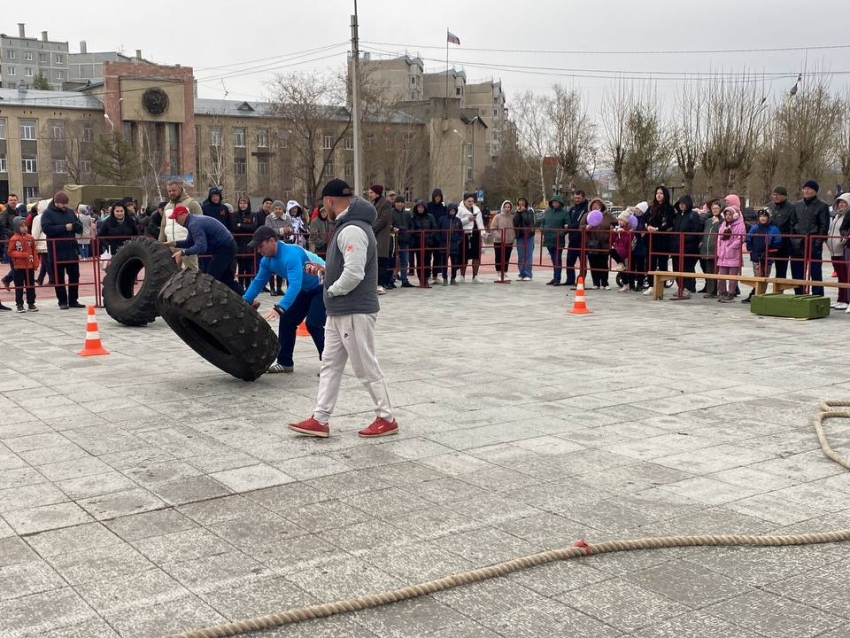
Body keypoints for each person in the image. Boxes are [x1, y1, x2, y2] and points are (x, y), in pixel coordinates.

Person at [289, 178, 398, 439]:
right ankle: (320, 418)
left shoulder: (351, 230)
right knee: (330, 364)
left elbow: (354, 272)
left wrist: (331, 289)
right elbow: (347, 269)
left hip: (353, 310)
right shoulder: (350, 227)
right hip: (341, 310)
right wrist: (326, 272)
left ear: (328, 201)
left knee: (364, 366)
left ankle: (386, 417)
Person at [243, 226, 325, 374]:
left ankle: (330, 365)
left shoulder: (291, 254)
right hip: (305, 290)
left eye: (261, 246)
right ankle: (285, 363)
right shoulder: (267, 260)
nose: (259, 251)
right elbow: (258, 282)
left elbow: (294, 285)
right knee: (287, 320)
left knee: (313, 324)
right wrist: (244, 303)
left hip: (322, 286)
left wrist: (280, 308)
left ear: (272, 241)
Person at [166, 205, 242, 295]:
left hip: (224, 247)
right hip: (228, 245)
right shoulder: (193, 221)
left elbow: (201, 246)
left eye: (176, 218)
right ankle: (249, 300)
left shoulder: (193, 224)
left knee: (210, 280)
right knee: (226, 279)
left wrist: (183, 252)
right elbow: (190, 242)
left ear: (184, 215)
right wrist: (173, 243)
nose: (176, 221)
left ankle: (213, 304)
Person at [41, 191, 84, 309]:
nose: (64, 206)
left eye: (66, 203)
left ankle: (73, 300)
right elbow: (47, 229)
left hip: (71, 249)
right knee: (58, 278)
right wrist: (64, 227)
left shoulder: (70, 212)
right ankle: (62, 301)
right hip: (56, 250)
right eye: (62, 204)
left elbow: (79, 226)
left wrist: (76, 226)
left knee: (75, 276)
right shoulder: (47, 214)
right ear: (56, 203)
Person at [791, 180, 830, 296]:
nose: (806, 191)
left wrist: (818, 242)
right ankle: (799, 293)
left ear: (815, 191)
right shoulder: (797, 205)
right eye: (805, 188)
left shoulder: (822, 206)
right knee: (797, 270)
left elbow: (824, 225)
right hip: (798, 242)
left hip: (813, 241)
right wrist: (793, 239)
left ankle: (817, 294)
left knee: (815, 270)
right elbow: (792, 223)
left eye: (809, 189)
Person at [160, 180, 202, 270]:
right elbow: (164, 226)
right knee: (172, 274)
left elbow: (200, 224)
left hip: (187, 245)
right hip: (171, 246)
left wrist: (197, 243)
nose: (171, 193)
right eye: (169, 191)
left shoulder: (192, 203)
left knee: (192, 273)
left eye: (174, 190)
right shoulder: (167, 207)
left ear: (180, 189)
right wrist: (160, 243)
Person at [742, 209, 781, 304]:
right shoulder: (754, 228)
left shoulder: (773, 228)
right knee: (757, 276)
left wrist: (772, 249)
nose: (763, 218)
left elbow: (777, 240)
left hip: (767, 256)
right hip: (756, 255)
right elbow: (749, 238)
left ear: (768, 217)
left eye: (765, 216)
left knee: (765, 276)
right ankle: (755, 294)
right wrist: (750, 248)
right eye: (761, 217)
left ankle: (761, 295)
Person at [643, 186, 675, 296]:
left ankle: (661, 285)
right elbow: (644, 218)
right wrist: (647, 226)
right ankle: (651, 285)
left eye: (661, 193)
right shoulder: (651, 207)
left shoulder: (669, 208)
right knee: (650, 262)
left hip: (662, 238)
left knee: (662, 262)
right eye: (657, 193)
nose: (659, 195)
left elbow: (669, 222)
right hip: (651, 238)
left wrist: (658, 229)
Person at [670, 195, 703, 298]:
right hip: (676, 247)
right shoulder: (678, 216)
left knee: (687, 268)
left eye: (683, 203)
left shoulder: (693, 215)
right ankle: (681, 287)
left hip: (689, 247)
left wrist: (684, 238)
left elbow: (696, 230)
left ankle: (688, 288)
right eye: (680, 204)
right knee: (676, 267)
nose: (681, 206)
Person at [7, 216, 39, 312]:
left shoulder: (30, 238)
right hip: (19, 266)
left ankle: (31, 303)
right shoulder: (13, 239)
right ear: (17, 227)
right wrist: (22, 255)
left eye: (25, 225)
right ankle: (19, 304)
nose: (24, 228)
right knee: (19, 286)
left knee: (30, 285)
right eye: (22, 226)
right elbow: (10, 251)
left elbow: (34, 251)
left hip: (29, 266)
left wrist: (35, 263)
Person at [715, 202, 746, 303]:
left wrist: (730, 247)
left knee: (732, 277)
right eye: (726, 214)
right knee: (721, 276)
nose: (728, 217)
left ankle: (731, 293)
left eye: (730, 214)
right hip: (723, 255)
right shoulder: (723, 225)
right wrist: (719, 249)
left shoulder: (740, 225)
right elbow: (719, 237)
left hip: (733, 255)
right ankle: (722, 292)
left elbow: (741, 238)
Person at [582, 199, 615, 290]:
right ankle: (596, 283)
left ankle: (605, 283)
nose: (595, 206)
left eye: (597, 205)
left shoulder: (608, 215)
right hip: (592, 243)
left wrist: (612, 228)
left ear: (601, 206)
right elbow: (581, 226)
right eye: (593, 205)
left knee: (604, 263)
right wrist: (586, 227)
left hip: (604, 243)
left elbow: (616, 223)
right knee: (593, 263)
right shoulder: (586, 215)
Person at [367, 185, 393, 293]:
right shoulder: (372, 204)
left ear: (377, 193)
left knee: (381, 260)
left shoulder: (386, 204)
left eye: (371, 193)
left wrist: (371, 229)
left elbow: (383, 219)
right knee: (374, 261)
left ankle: (380, 284)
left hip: (381, 236)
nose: (369, 195)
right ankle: (374, 284)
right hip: (373, 236)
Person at [409, 199, 438, 287]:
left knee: (427, 261)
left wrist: (429, 236)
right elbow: (412, 230)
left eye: (422, 207)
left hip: (428, 242)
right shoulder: (414, 218)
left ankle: (426, 279)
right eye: (419, 207)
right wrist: (419, 235)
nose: (420, 209)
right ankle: (421, 280)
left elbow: (434, 228)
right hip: (418, 242)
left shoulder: (430, 217)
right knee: (419, 261)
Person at [540, 195, 568, 285]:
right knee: (553, 259)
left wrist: (561, 233)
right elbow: (543, 222)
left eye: (556, 202)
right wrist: (542, 229)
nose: (555, 204)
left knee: (557, 259)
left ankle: (557, 278)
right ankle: (555, 276)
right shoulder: (547, 212)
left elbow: (567, 226)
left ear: (560, 203)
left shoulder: (564, 213)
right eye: (553, 202)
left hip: (558, 240)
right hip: (548, 239)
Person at [768, 186, 795, 280]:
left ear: (784, 196)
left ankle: (778, 291)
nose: (776, 197)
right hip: (769, 242)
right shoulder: (769, 206)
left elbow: (793, 225)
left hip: (784, 243)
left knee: (781, 270)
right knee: (763, 269)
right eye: (774, 195)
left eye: (778, 195)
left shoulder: (791, 208)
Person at [458, 193, 485, 283]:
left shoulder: (477, 210)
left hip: (476, 234)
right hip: (464, 234)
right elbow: (457, 223)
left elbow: (480, 223)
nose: (470, 203)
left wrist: (483, 233)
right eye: (469, 201)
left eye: (472, 201)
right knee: (464, 256)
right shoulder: (459, 210)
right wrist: (467, 220)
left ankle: (475, 276)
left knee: (476, 255)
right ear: (464, 201)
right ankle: (462, 276)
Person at [564, 191, 589, 287]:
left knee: (582, 262)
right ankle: (570, 279)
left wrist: (569, 226)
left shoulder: (587, 209)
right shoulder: (572, 209)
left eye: (579, 198)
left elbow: (579, 224)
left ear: (583, 197)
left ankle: (580, 280)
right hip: (572, 239)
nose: (577, 200)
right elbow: (568, 220)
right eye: (575, 198)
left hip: (582, 239)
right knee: (569, 261)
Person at [265, 200, 290, 295]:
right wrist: (282, 230)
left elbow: (290, 227)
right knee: (272, 266)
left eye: (280, 209)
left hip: (283, 243)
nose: (278, 210)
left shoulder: (286, 218)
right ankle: (272, 288)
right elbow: (269, 229)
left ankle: (279, 288)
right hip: (271, 243)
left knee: (281, 265)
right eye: (276, 208)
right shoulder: (269, 218)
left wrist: (289, 230)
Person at [233, 195, 258, 290]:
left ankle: (248, 288)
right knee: (240, 268)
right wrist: (245, 226)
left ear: (248, 204)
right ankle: (240, 288)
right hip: (239, 245)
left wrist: (241, 225)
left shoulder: (253, 215)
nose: (242, 205)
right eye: (241, 203)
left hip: (249, 245)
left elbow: (253, 227)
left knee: (249, 268)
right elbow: (234, 227)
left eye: (244, 203)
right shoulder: (235, 215)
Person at [700, 200, 723, 298]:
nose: (715, 210)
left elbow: (721, 233)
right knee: (709, 271)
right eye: (713, 208)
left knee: (717, 271)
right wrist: (701, 243)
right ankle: (710, 291)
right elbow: (704, 234)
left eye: (717, 208)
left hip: (717, 249)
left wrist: (717, 223)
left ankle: (718, 290)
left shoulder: (722, 221)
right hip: (707, 249)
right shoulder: (708, 221)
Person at [437, 202, 465, 285]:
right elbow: (437, 231)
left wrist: (458, 241)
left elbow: (461, 233)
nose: (452, 212)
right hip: (444, 244)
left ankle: (453, 278)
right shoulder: (442, 219)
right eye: (451, 211)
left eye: (454, 211)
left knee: (455, 263)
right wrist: (440, 240)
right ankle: (445, 278)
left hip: (454, 245)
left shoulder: (458, 220)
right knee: (444, 263)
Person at [831, 193, 850, 310]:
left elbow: (844, 231)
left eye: (844, 202)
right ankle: (840, 298)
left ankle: (845, 299)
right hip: (834, 250)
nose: (841, 205)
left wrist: (842, 242)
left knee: (845, 275)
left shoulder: (847, 216)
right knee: (840, 276)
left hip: (842, 249)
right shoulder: (837, 216)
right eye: (840, 202)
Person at [490, 200, 516, 281]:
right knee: (498, 257)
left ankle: (505, 272)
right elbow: (493, 228)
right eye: (506, 207)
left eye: (509, 207)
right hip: (499, 241)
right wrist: (500, 236)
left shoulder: (512, 217)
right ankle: (499, 272)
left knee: (506, 257)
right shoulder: (497, 217)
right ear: (503, 207)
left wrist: (513, 236)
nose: (507, 208)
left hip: (509, 241)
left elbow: (515, 228)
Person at [390, 196, 413, 288]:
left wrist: (408, 232)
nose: (399, 204)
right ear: (394, 203)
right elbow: (389, 224)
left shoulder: (407, 214)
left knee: (404, 261)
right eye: (398, 202)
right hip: (394, 240)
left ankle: (404, 279)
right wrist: (394, 228)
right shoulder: (391, 213)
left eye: (401, 202)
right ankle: (391, 279)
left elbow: (411, 225)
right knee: (394, 261)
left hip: (405, 239)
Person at [513, 198, 535, 281]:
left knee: (528, 255)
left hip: (528, 235)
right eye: (520, 203)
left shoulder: (530, 210)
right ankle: (521, 273)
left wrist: (523, 212)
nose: (521, 205)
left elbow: (528, 221)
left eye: (523, 203)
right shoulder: (517, 212)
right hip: (520, 235)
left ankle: (528, 274)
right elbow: (515, 222)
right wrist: (518, 213)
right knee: (521, 255)